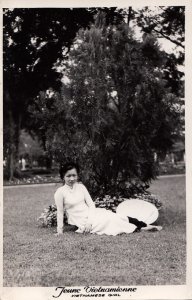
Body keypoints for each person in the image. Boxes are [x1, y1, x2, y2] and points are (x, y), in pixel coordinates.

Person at [54, 162, 162, 236]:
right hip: (81, 220)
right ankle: (139, 228)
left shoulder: (81, 187)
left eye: (74, 175)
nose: (72, 179)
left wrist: (90, 221)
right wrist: (60, 231)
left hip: (91, 214)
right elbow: (60, 212)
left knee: (115, 216)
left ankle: (145, 225)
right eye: (68, 176)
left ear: (77, 175)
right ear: (63, 176)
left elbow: (91, 205)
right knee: (110, 221)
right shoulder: (60, 192)